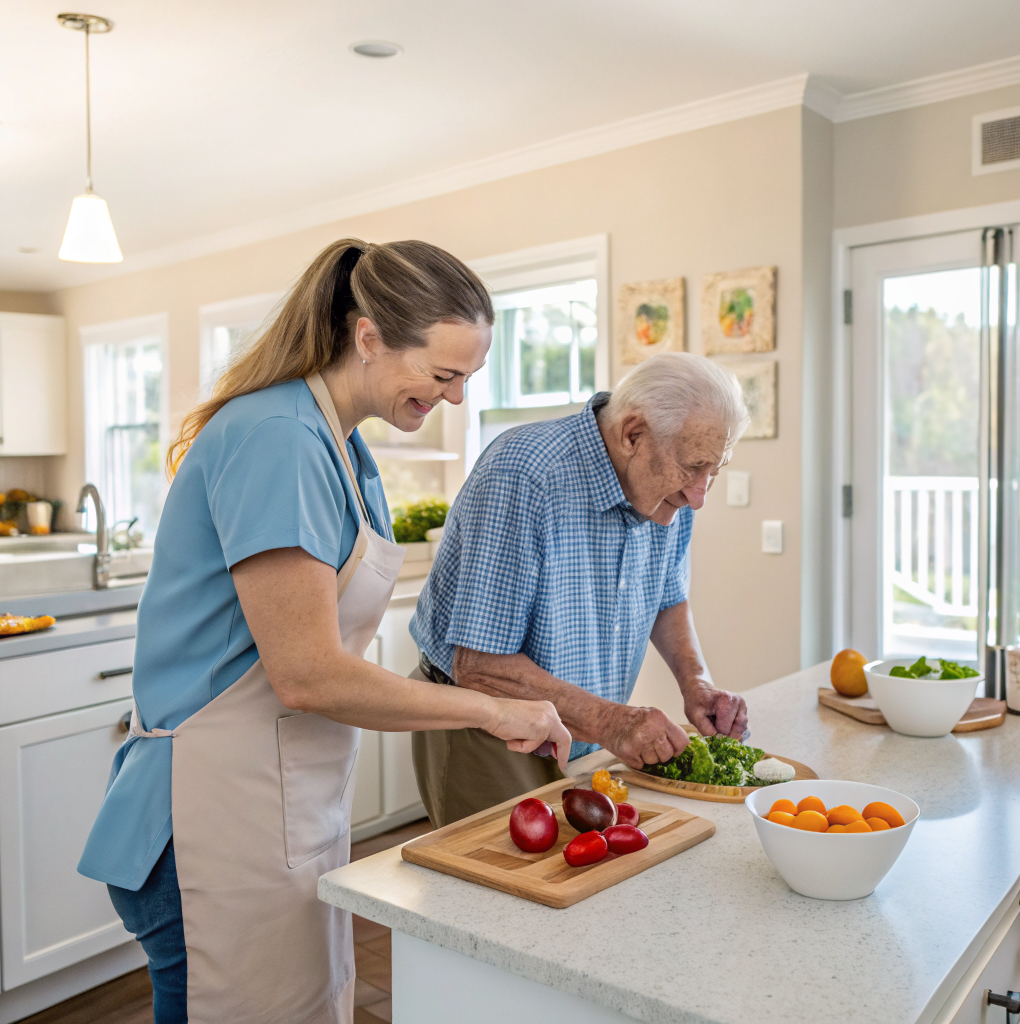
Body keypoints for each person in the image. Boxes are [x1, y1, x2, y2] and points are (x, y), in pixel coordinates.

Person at [77, 238, 571, 1024]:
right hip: (208, 818)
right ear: (368, 336)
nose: (453, 401)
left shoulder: (340, 446)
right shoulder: (276, 438)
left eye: (467, 381)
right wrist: (492, 708)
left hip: (271, 801)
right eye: (442, 376)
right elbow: (308, 673)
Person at [410, 351, 750, 826]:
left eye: (716, 470)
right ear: (633, 434)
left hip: (584, 724)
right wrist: (612, 721)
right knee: (503, 891)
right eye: (693, 468)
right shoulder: (526, 474)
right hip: (488, 727)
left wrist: (696, 684)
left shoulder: (671, 496)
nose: (701, 495)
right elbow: (481, 667)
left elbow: (666, 599)